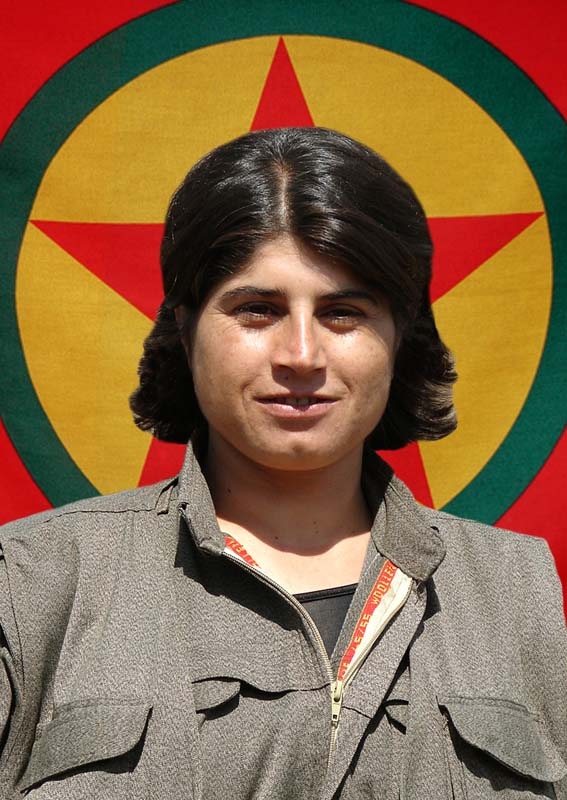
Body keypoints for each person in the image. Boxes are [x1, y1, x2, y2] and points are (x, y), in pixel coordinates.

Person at [0, 127, 565, 800]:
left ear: (399, 334)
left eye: (342, 313)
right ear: (185, 325)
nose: (301, 354)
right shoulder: (34, 585)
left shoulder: (521, 594)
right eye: (258, 310)